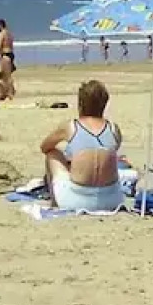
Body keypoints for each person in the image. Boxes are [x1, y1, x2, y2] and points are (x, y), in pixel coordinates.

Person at [39, 80, 124, 210]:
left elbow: (45, 147)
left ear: (81, 104)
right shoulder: (113, 129)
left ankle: (54, 203)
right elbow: (111, 148)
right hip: (112, 200)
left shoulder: (71, 126)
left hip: (76, 200)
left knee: (52, 154)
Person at [0, 19, 16, 98]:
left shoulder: (2, 34)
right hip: (10, 54)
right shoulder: (9, 34)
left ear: (0, 25)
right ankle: (9, 92)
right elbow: (11, 45)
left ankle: (10, 93)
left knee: (6, 76)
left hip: (5, 54)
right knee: (8, 75)